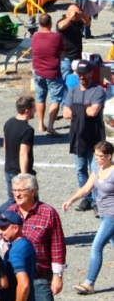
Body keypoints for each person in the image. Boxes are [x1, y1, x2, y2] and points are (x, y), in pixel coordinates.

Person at [62, 141, 114, 295]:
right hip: (103, 214)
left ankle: (89, 283)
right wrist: (71, 200)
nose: (96, 158)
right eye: (95, 155)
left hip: (112, 216)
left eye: (99, 155)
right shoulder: (98, 169)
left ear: (109, 156)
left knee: (96, 246)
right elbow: (86, 187)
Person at [5, 174, 66, 301]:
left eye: (21, 190)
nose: (17, 195)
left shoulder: (48, 213)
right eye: (14, 191)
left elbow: (57, 246)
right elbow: (3, 239)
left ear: (33, 191)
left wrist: (57, 276)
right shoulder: (10, 212)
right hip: (16, 278)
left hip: (40, 279)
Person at [0, 96, 36, 239]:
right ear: (27, 111)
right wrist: (25, 177)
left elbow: (5, 145)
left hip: (8, 169)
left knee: (14, 200)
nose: (35, 110)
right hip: (18, 173)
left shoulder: (9, 123)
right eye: (33, 108)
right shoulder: (27, 129)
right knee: (28, 202)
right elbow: (23, 154)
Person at [63, 59, 107, 213]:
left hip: (95, 137)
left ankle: (96, 201)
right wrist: (83, 110)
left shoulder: (98, 90)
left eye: (84, 74)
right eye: (79, 74)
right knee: (80, 169)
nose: (81, 77)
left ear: (91, 73)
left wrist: (75, 109)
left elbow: (94, 111)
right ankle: (86, 199)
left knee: (96, 169)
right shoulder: (73, 91)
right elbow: (65, 113)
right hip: (77, 137)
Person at [30, 14, 64, 135]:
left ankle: (40, 124)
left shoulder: (35, 36)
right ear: (50, 23)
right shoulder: (57, 37)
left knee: (40, 98)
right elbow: (61, 51)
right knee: (55, 99)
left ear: (39, 24)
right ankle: (50, 125)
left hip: (38, 71)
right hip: (53, 71)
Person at [0, 212, 36, 301]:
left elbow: (24, 284)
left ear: (15, 228)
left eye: (3, 228)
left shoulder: (16, 251)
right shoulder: (26, 243)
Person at [56, 4, 90, 80]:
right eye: (76, 14)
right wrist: (71, 17)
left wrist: (84, 15)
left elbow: (87, 23)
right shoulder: (62, 21)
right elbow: (61, 26)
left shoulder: (77, 22)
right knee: (65, 78)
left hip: (77, 56)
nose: (78, 16)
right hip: (66, 57)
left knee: (76, 79)